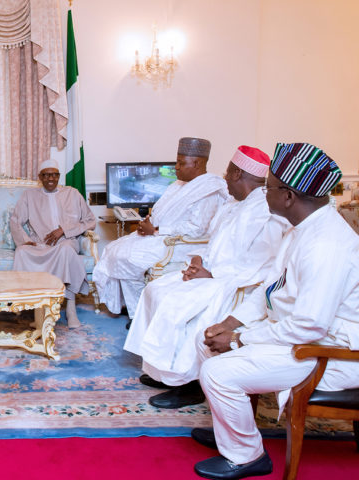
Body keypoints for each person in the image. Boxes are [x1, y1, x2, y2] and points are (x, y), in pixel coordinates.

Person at [189, 143, 359, 479]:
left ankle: (247, 456)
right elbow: (271, 289)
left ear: (288, 196)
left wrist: (239, 340)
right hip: (300, 336)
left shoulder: (326, 244)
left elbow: (309, 327)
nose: (262, 193)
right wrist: (228, 323)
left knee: (217, 373)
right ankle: (232, 429)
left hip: (331, 352)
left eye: (267, 186)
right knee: (205, 339)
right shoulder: (302, 229)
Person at [123, 146, 287, 409]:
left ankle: (189, 385)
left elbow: (262, 264)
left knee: (176, 303)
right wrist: (198, 261)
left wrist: (211, 274)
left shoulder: (265, 210)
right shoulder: (233, 204)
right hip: (211, 273)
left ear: (237, 174)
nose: (223, 178)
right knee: (155, 290)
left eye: (227, 172)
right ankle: (166, 373)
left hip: (235, 284)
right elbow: (214, 244)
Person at [93, 137, 229, 321]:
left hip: (181, 245)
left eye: (181, 163)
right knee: (114, 248)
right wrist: (147, 224)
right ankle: (132, 307)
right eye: (177, 162)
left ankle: (140, 315)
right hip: (160, 236)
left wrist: (156, 229)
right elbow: (161, 212)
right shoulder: (178, 184)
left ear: (196, 163)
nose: (176, 167)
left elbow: (197, 229)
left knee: (126, 257)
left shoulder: (209, 190)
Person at [10, 159, 97, 326]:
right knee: (21, 251)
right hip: (40, 243)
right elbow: (15, 220)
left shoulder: (72, 193)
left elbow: (90, 221)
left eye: (55, 174)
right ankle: (38, 310)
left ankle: (70, 309)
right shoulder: (30, 195)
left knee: (66, 251)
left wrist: (64, 230)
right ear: (40, 177)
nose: (51, 178)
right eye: (46, 175)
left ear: (59, 176)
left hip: (66, 241)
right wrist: (25, 240)